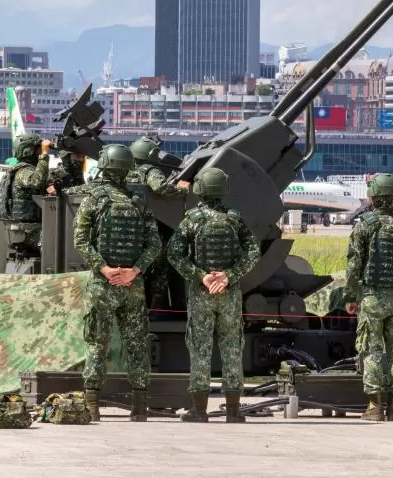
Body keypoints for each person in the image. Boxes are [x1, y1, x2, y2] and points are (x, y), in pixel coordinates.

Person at [73, 143, 162, 423]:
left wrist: (104, 268)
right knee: (136, 344)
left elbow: (80, 240)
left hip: (103, 285)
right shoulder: (138, 202)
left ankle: (92, 405)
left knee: (97, 345)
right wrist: (134, 270)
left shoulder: (94, 199)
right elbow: (154, 244)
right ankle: (139, 407)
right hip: (133, 287)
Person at [166, 167, 260, 424]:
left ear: (200, 190)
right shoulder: (234, 219)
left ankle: (199, 409)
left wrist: (201, 276)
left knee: (200, 348)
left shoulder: (192, 219)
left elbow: (174, 253)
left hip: (202, 293)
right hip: (229, 294)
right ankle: (233, 411)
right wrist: (229, 275)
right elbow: (252, 253)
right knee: (232, 349)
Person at [343, 172, 393, 422]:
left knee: (373, 350)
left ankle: (374, 407)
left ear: (374, 196)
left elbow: (354, 264)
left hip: (372, 298)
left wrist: (350, 295)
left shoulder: (365, 225)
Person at [125, 136, 189, 310]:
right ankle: (156, 307)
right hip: (153, 227)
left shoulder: (126, 171)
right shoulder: (150, 170)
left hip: (131, 228)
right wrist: (181, 190)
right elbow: (159, 187)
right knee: (162, 266)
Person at [0, 134, 51, 256]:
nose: (40, 151)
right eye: (38, 148)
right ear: (29, 151)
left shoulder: (15, 171)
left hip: (21, 230)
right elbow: (37, 181)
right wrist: (44, 156)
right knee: (62, 241)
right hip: (29, 232)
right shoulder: (24, 172)